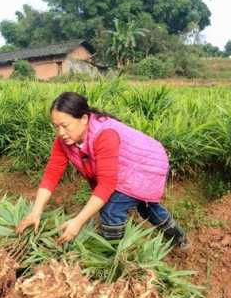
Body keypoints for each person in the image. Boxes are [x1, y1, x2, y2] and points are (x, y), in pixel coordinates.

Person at [16, 92, 188, 248]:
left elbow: (106, 184)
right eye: (56, 126)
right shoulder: (65, 140)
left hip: (146, 166)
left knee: (111, 209)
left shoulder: (104, 135)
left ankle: (113, 252)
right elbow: (51, 174)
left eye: (65, 125)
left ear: (84, 119)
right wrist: (35, 211)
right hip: (126, 165)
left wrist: (78, 222)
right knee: (146, 206)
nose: (60, 132)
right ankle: (180, 239)